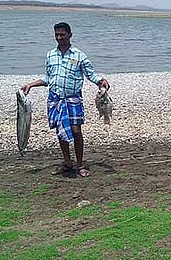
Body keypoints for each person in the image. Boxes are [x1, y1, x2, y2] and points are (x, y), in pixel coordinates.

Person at [21, 22, 110, 177]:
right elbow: (47, 78)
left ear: (70, 35)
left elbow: (91, 75)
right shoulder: (50, 55)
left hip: (73, 99)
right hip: (55, 99)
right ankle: (67, 162)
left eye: (62, 34)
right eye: (57, 35)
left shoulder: (79, 56)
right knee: (60, 131)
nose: (59, 38)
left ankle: (80, 164)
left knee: (76, 131)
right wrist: (31, 85)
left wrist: (101, 82)